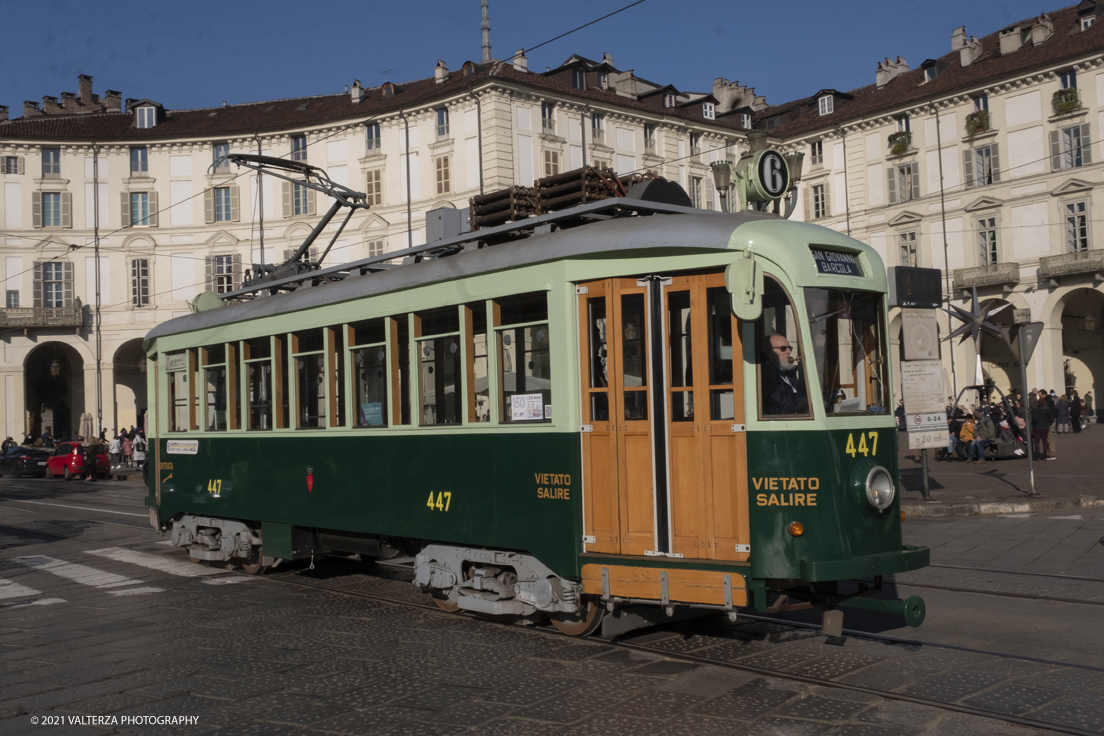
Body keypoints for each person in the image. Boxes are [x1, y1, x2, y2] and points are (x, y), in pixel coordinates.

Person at [761, 332, 809, 415]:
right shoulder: (766, 375)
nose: (789, 351)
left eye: (789, 348)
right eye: (783, 348)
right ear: (769, 353)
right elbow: (782, 404)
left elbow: (801, 393)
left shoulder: (789, 373)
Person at [1033, 394, 1055, 459]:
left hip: (1038, 426)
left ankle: (1037, 454)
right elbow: (1051, 418)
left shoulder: (1037, 409)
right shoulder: (1048, 409)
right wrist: (1048, 423)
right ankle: (1044, 455)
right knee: (1044, 441)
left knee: (1037, 442)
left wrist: (1034, 424)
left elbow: (1035, 418)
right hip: (1046, 426)